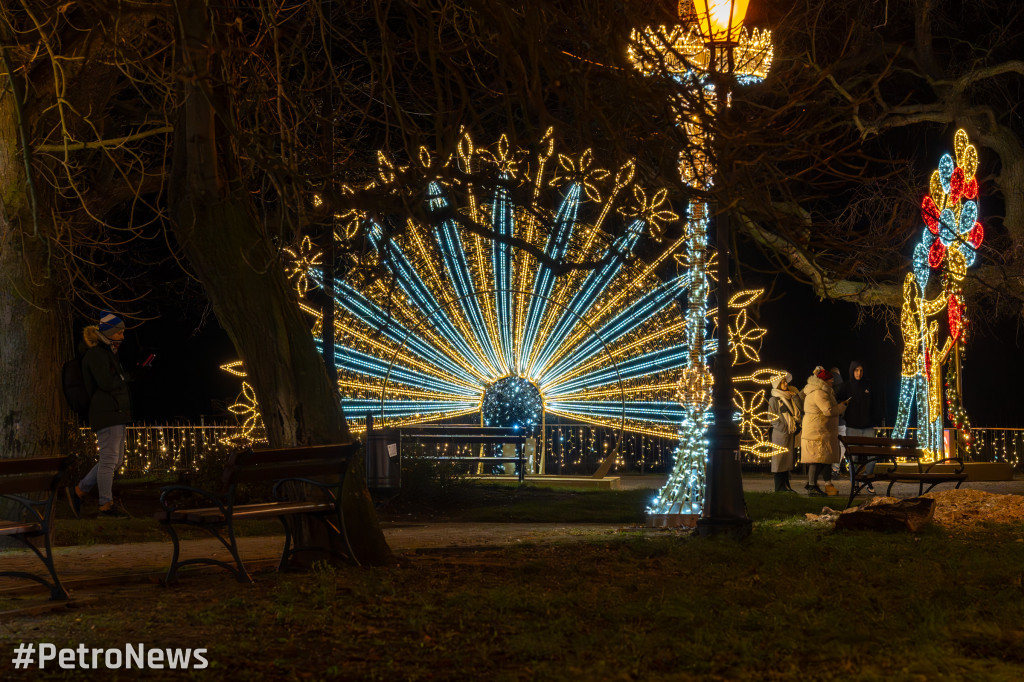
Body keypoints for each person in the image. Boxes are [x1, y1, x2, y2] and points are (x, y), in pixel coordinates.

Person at [66, 312, 131, 518]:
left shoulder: (108, 353)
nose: (122, 337)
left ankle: (79, 490)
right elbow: (106, 382)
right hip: (106, 414)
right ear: (109, 333)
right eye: (119, 333)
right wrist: (125, 376)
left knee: (115, 460)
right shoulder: (96, 354)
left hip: (116, 413)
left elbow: (114, 381)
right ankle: (105, 505)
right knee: (109, 459)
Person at [800, 368, 848, 496]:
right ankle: (811, 485)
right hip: (818, 432)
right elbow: (828, 411)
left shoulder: (817, 391)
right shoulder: (819, 393)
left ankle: (812, 484)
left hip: (818, 430)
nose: (832, 384)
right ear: (824, 382)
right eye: (830, 382)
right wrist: (842, 406)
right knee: (818, 459)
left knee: (820, 459)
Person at [836, 360, 878, 494]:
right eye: (856, 370)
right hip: (852, 426)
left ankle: (867, 480)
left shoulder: (869, 385)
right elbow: (834, 397)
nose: (858, 373)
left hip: (868, 427)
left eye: (860, 370)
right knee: (852, 458)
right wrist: (842, 408)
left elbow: (876, 403)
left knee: (873, 455)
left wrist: (875, 419)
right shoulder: (846, 386)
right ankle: (855, 483)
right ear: (851, 371)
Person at [768, 372, 802, 493]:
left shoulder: (789, 397)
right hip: (780, 434)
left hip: (789, 432)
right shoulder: (774, 399)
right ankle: (779, 486)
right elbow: (771, 417)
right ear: (777, 384)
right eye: (782, 382)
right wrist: (783, 427)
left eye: (785, 381)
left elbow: (796, 412)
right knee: (779, 460)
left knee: (787, 461)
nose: (785, 384)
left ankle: (786, 485)